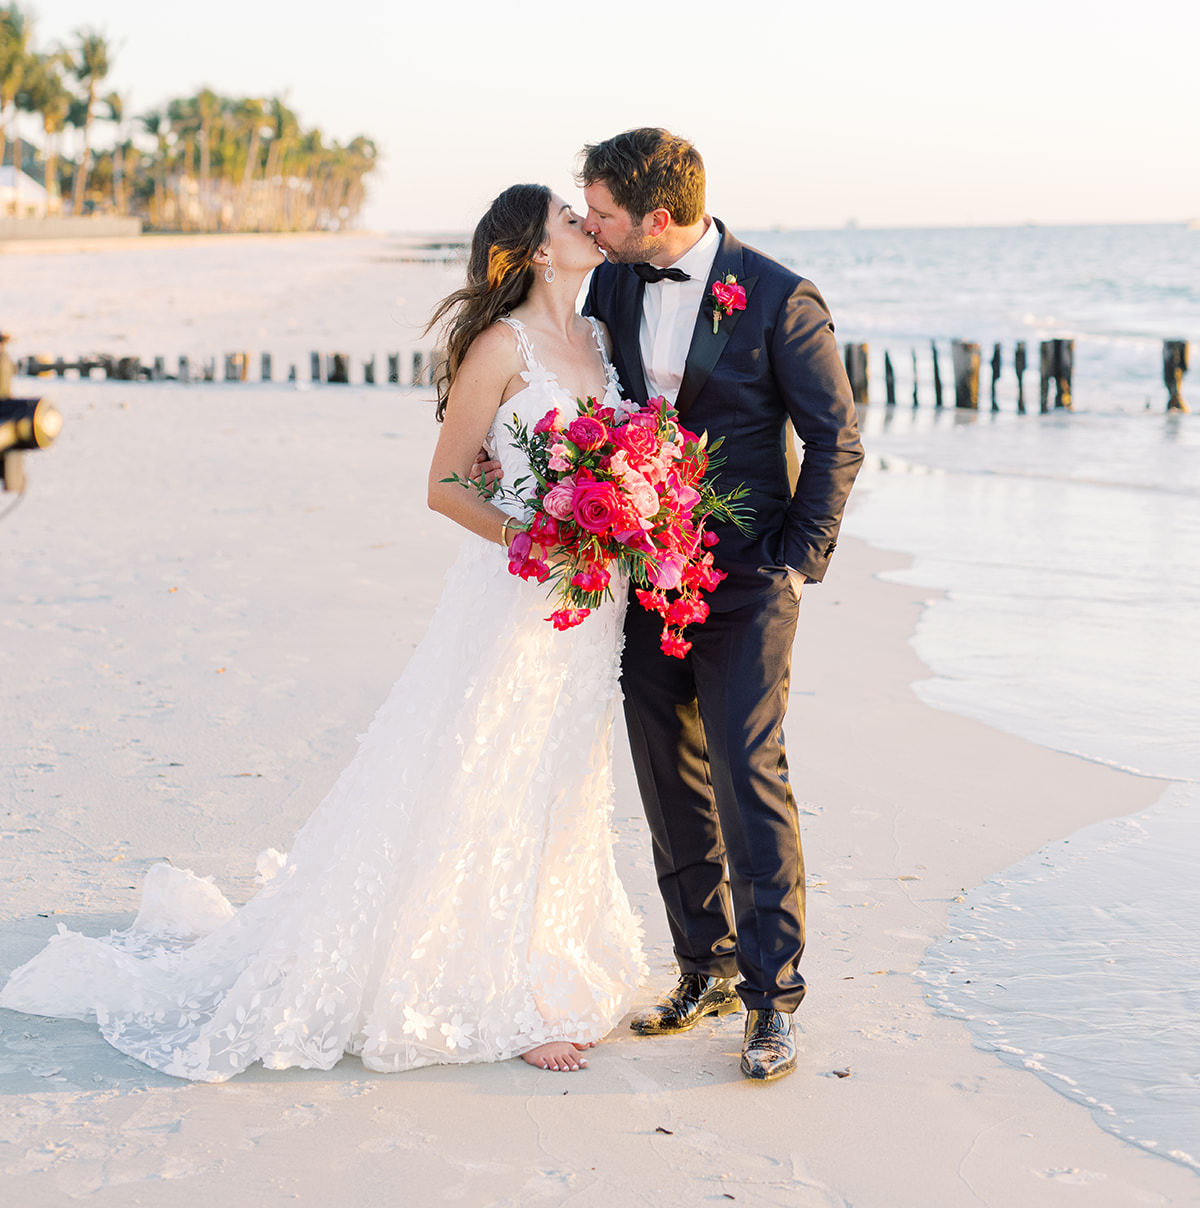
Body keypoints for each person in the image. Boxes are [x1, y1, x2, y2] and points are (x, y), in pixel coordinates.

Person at [0, 184, 644, 1080]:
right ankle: (501, 990)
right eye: (569, 220)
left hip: (594, 604)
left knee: (564, 774)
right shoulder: (502, 348)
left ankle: (551, 955)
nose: (587, 225)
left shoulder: (604, 338)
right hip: (523, 593)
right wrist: (535, 538)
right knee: (490, 773)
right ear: (535, 251)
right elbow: (445, 483)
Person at [580, 128, 863, 1082]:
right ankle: (699, 964)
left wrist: (795, 560)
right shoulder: (614, 283)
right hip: (644, 573)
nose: (592, 225)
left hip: (748, 579)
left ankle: (772, 999)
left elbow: (836, 440)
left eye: (605, 213)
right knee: (665, 769)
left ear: (658, 218)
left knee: (748, 770)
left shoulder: (782, 298)